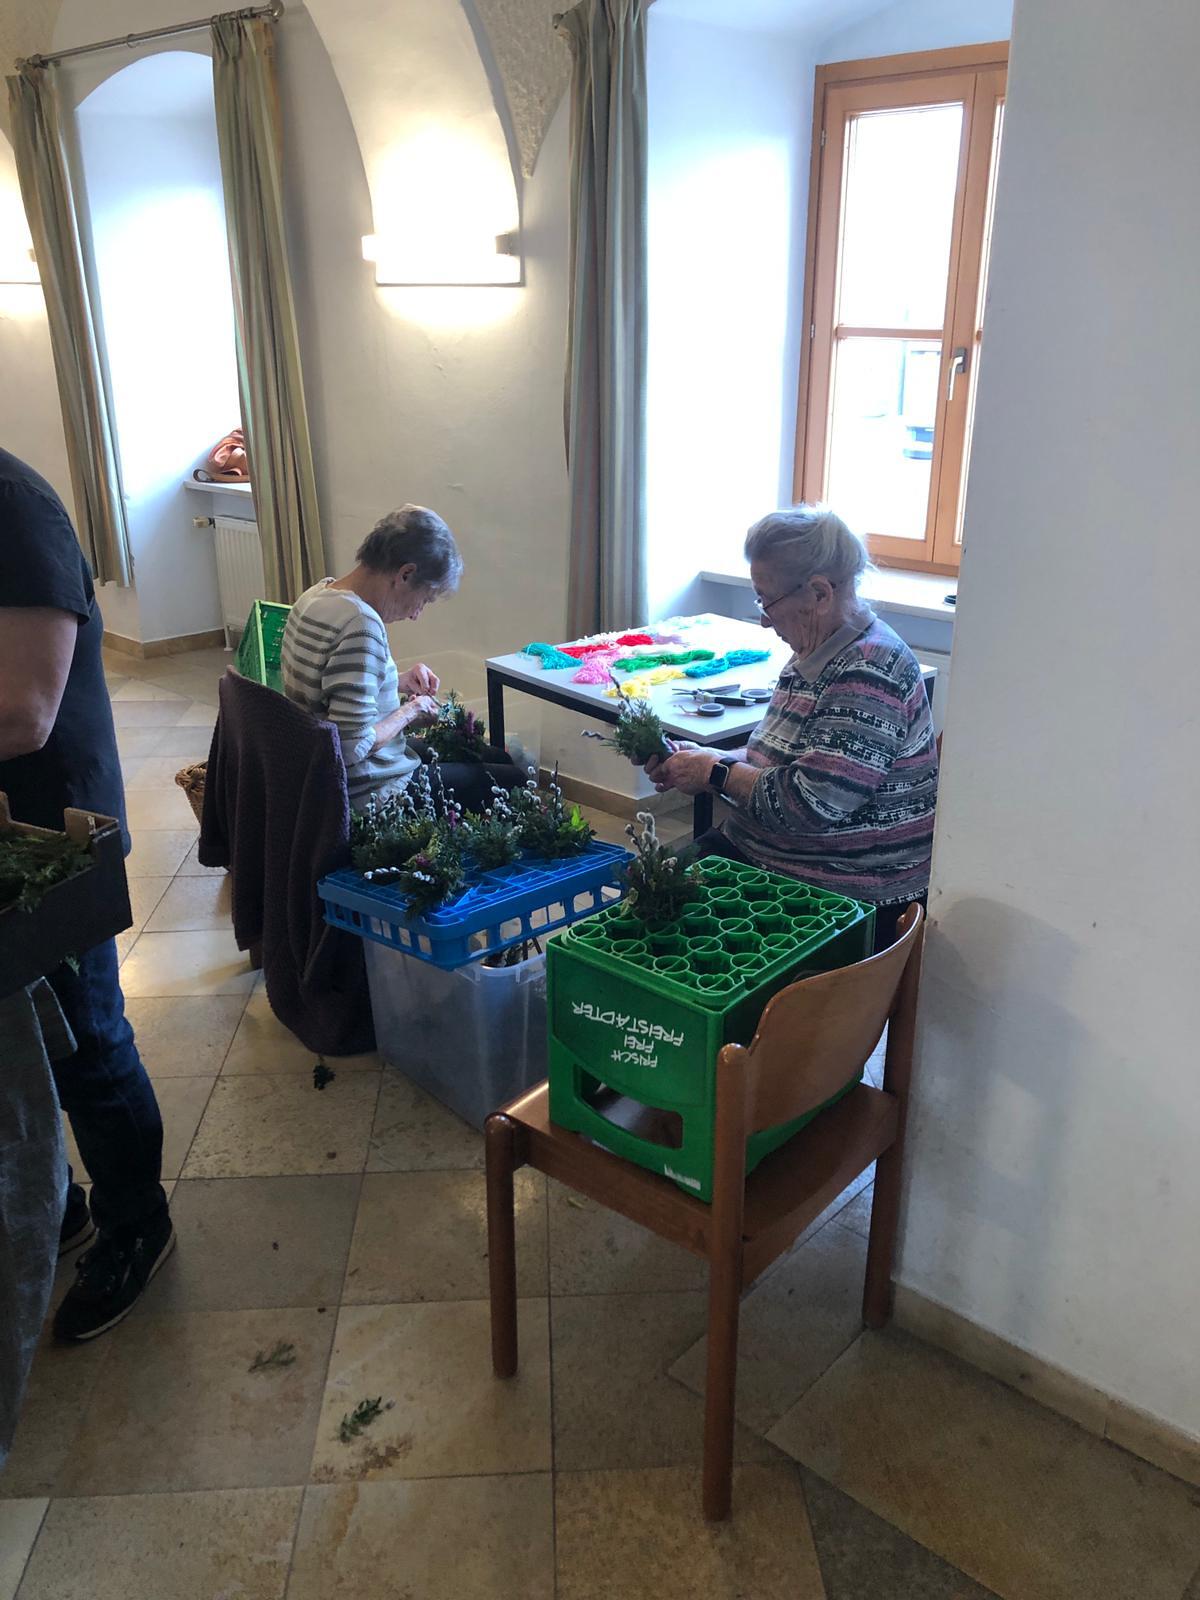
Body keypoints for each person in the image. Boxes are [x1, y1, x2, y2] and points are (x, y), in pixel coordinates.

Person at [0, 446, 173, 1341]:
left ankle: (137, 1222)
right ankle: (59, 1202)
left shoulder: (14, 506)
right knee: (18, 1041)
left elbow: (24, 711)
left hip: (57, 836)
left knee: (88, 1043)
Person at [647, 505, 938, 952]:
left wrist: (716, 772)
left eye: (767, 600)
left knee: (660, 931)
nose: (764, 618)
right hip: (776, 859)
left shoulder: (868, 671)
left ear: (819, 593)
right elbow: (778, 761)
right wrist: (707, 760)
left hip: (843, 892)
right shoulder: (818, 651)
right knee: (646, 889)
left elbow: (807, 805)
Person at [281, 503, 520, 813]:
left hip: (319, 771)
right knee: (511, 779)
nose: (416, 614)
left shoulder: (315, 596)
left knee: (495, 758)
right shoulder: (360, 625)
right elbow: (351, 748)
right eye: (424, 599)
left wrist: (397, 681)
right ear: (405, 574)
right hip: (369, 791)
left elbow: (332, 691)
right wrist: (411, 711)